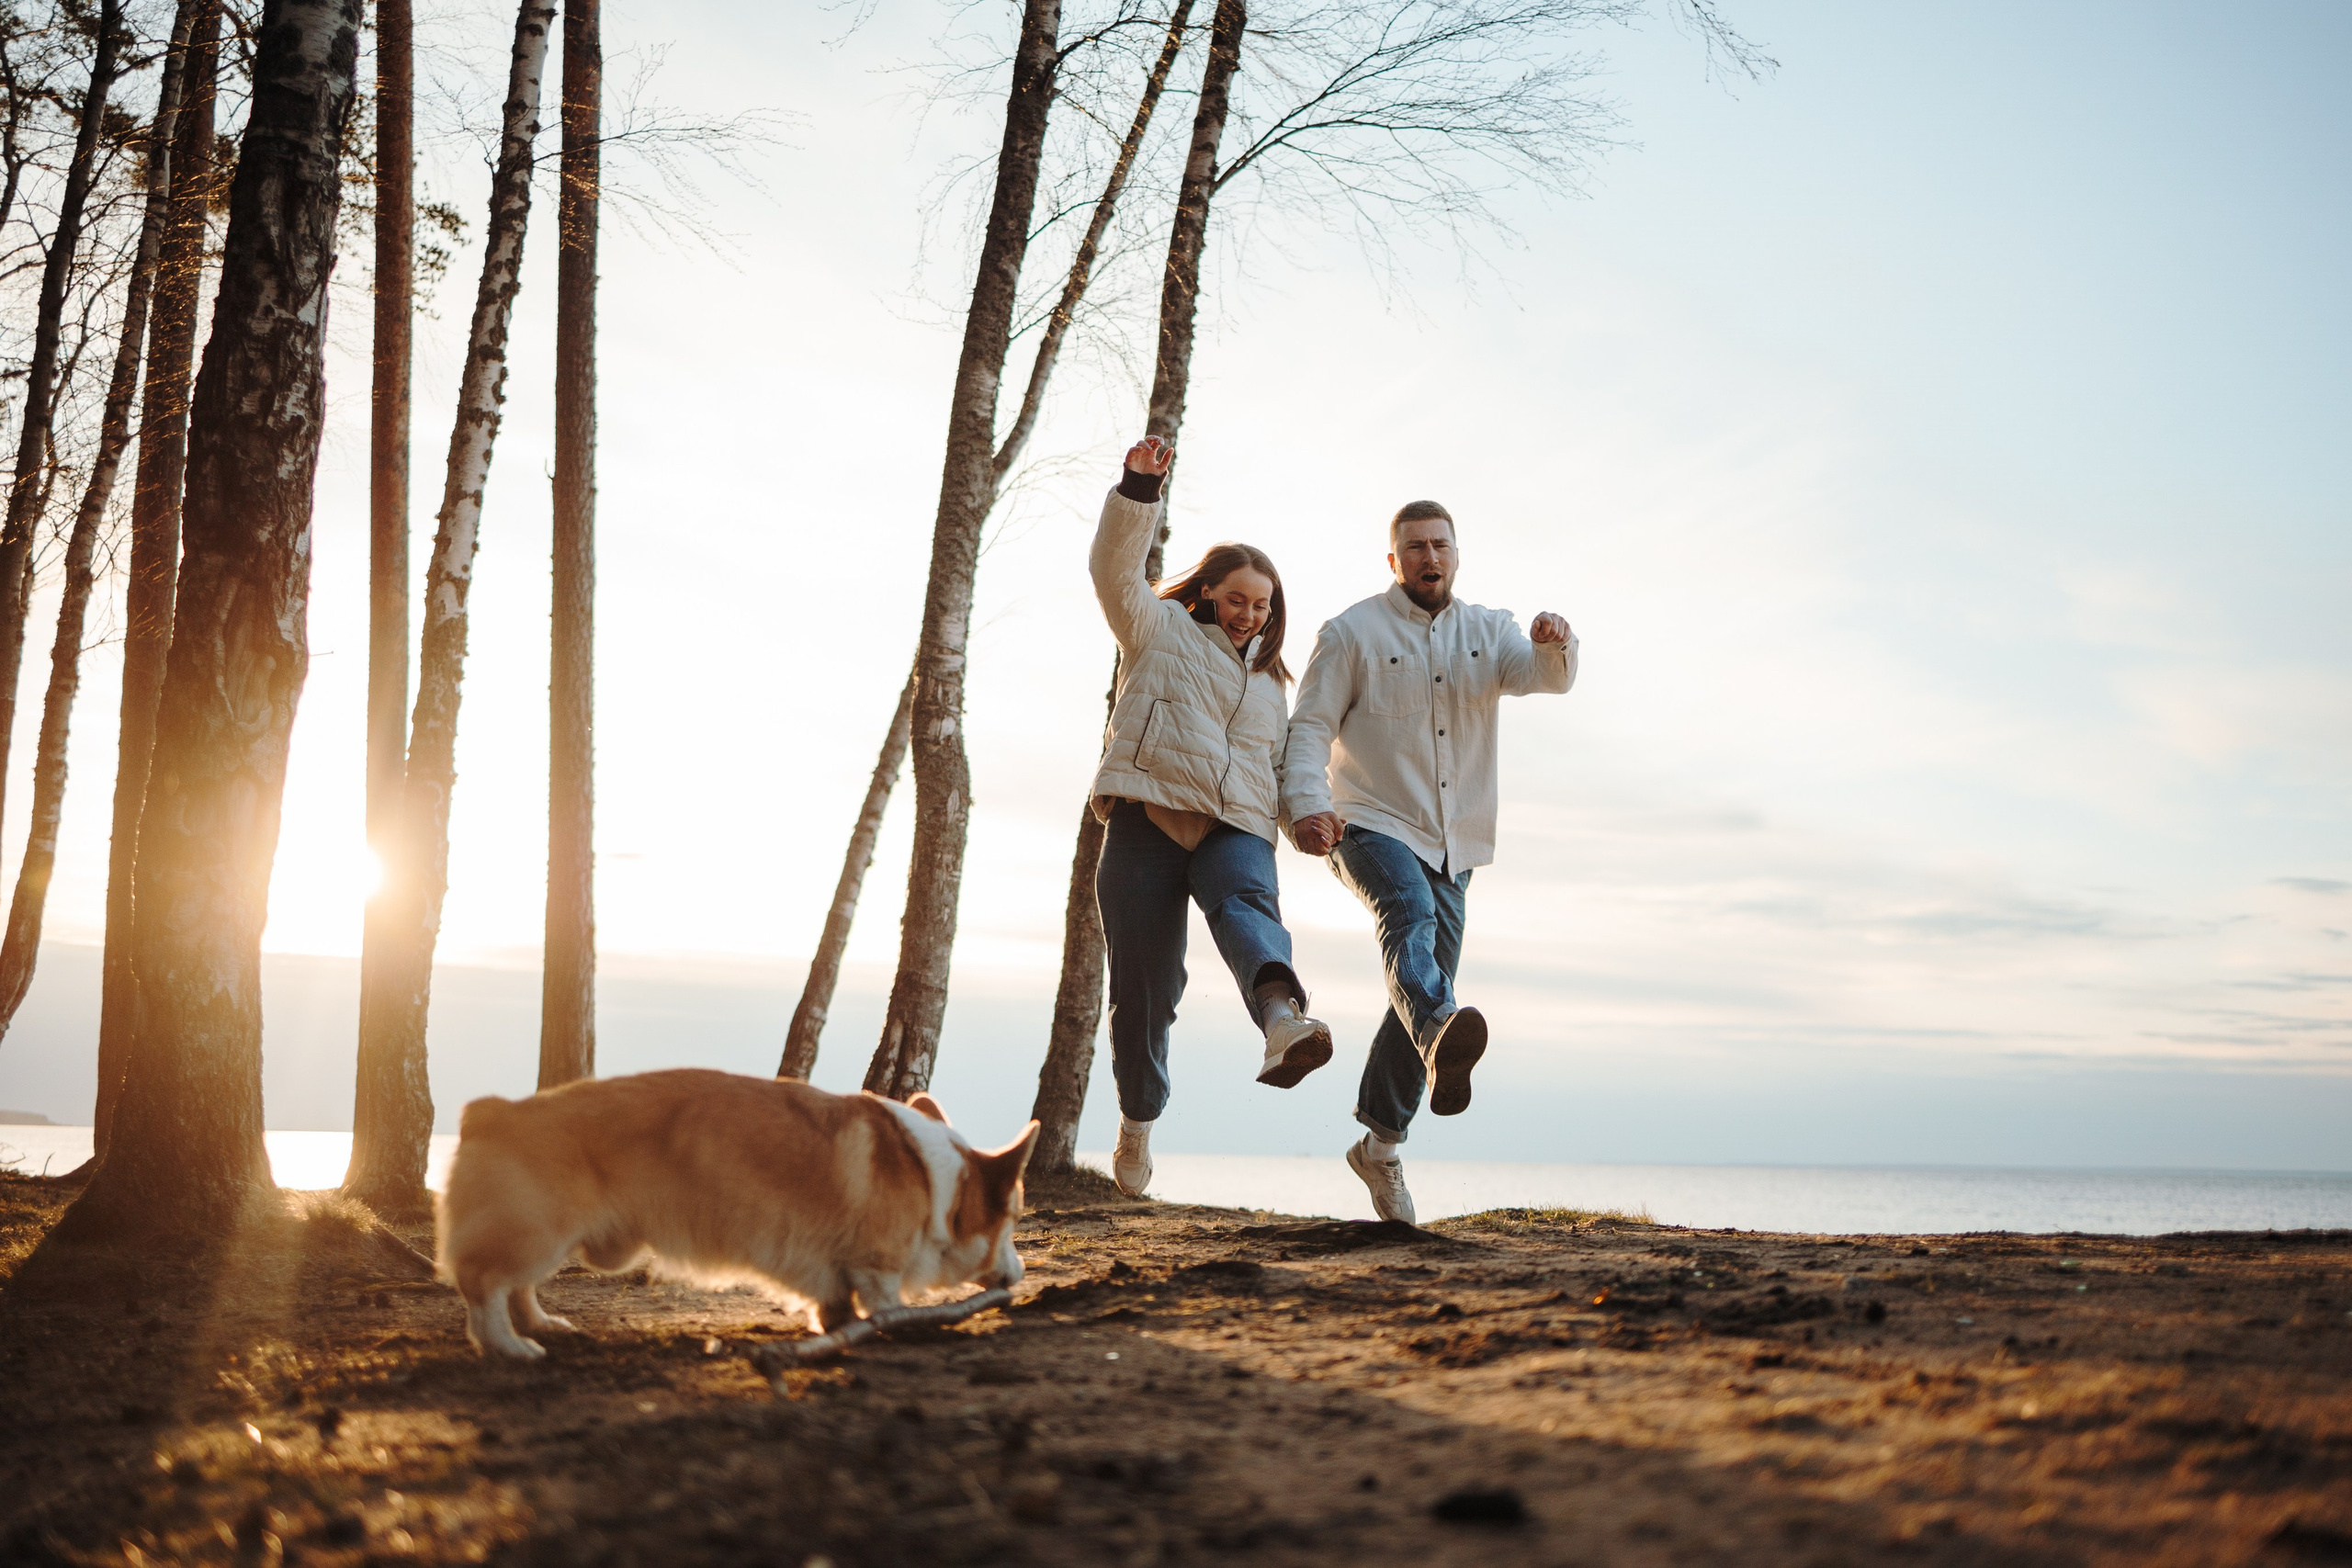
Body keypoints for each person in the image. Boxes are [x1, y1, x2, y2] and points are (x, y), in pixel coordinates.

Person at [1283, 499, 1577, 1223]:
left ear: (1456, 553)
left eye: (1440, 544)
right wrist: (1305, 805)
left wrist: (1554, 642)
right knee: (1408, 917)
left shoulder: (1489, 630)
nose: (1429, 556)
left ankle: (1379, 1148)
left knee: (1418, 987)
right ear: (1394, 560)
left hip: (1454, 840)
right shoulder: (1352, 632)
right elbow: (1310, 725)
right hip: (1366, 819)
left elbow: (1544, 677)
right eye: (1414, 546)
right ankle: (1441, 1023)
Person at [1089, 434, 1334, 1199]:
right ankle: (1138, 1119)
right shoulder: (1156, 627)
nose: (1248, 615)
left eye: (1261, 605)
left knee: (1247, 904)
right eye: (1236, 600)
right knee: (1147, 988)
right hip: (1149, 818)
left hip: (1236, 826)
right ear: (1207, 592)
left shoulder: (1271, 685)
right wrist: (1138, 489)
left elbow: (1284, 767)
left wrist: (1308, 816)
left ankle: (1283, 1022)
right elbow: (1113, 571)